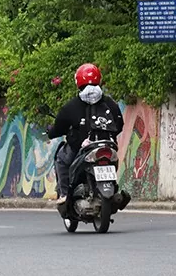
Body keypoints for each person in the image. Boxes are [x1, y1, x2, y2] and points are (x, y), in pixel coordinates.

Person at [47, 63, 124, 205]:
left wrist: (51, 132)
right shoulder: (110, 103)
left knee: (61, 159)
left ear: (78, 81)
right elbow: (119, 125)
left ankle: (64, 194)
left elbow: (58, 128)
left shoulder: (71, 106)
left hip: (81, 149)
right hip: (109, 146)